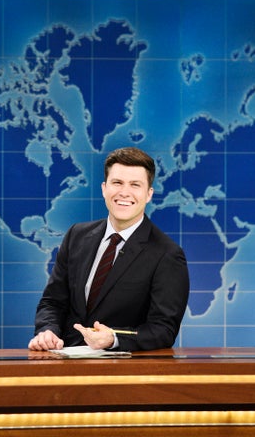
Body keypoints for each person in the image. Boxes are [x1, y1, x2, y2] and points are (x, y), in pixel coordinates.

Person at [29, 147, 190, 352]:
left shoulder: (167, 254)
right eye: (117, 183)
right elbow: (53, 302)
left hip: (122, 374)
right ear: (104, 188)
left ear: (149, 194)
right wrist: (47, 330)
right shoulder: (76, 236)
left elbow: (163, 329)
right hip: (65, 367)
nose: (124, 192)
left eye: (135, 185)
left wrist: (114, 338)